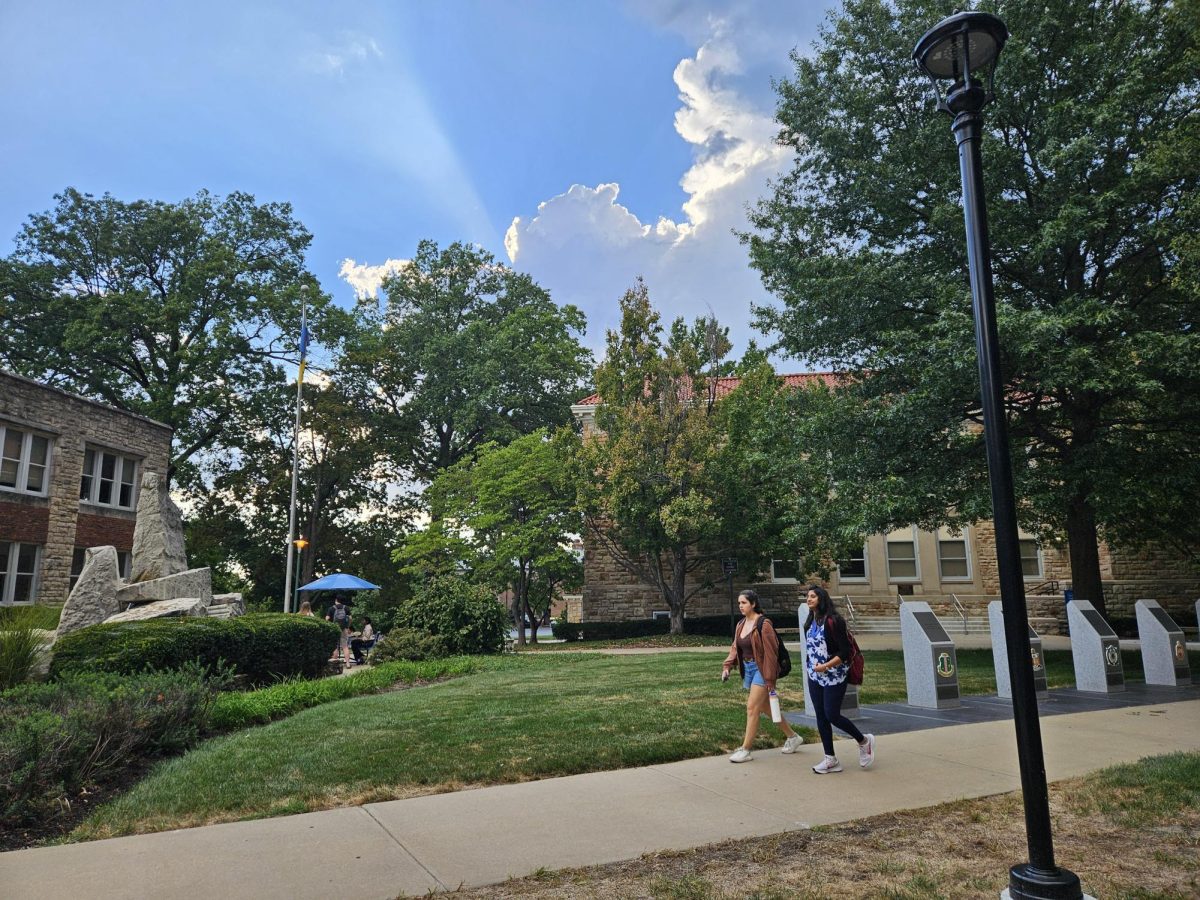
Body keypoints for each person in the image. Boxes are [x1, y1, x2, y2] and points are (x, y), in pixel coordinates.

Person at [721, 589, 804, 763]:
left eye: (743, 603)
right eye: (739, 603)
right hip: (748, 669)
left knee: (752, 708)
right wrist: (727, 666)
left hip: (762, 669)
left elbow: (771, 654)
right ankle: (793, 737)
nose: (740, 606)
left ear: (753, 604)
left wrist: (769, 679)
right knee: (765, 707)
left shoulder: (764, 624)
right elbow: (736, 647)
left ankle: (745, 749)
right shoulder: (741, 624)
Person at [803, 584, 874, 773]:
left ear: (822, 599)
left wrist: (826, 666)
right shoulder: (810, 621)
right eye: (807, 596)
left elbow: (845, 651)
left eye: (812, 596)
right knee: (820, 716)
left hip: (834, 675)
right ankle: (830, 759)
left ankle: (863, 741)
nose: (808, 599)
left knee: (832, 714)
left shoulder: (834, 621)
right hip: (814, 675)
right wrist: (812, 666)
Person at [325, 594, 352, 666]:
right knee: (345, 646)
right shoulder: (346, 608)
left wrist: (330, 626)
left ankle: (335, 664)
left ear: (336, 600)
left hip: (335, 628)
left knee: (335, 646)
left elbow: (327, 619)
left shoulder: (331, 608)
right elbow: (350, 618)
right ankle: (348, 664)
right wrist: (347, 626)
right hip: (344, 629)